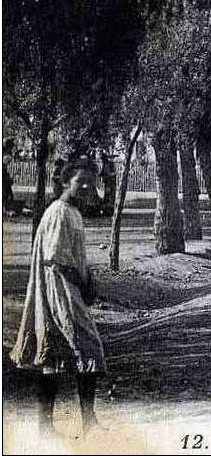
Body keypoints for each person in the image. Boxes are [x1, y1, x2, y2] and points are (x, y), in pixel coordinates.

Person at [10, 160, 106, 437]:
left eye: (91, 181)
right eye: (81, 181)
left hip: (69, 288)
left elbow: (74, 257)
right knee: (85, 348)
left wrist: (89, 281)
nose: (87, 186)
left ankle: (85, 421)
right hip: (58, 290)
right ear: (66, 182)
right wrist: (82, 284)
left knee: (61, 355)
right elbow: (58, 261)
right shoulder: (58, 213)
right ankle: (51, 426)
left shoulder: (73, 212)